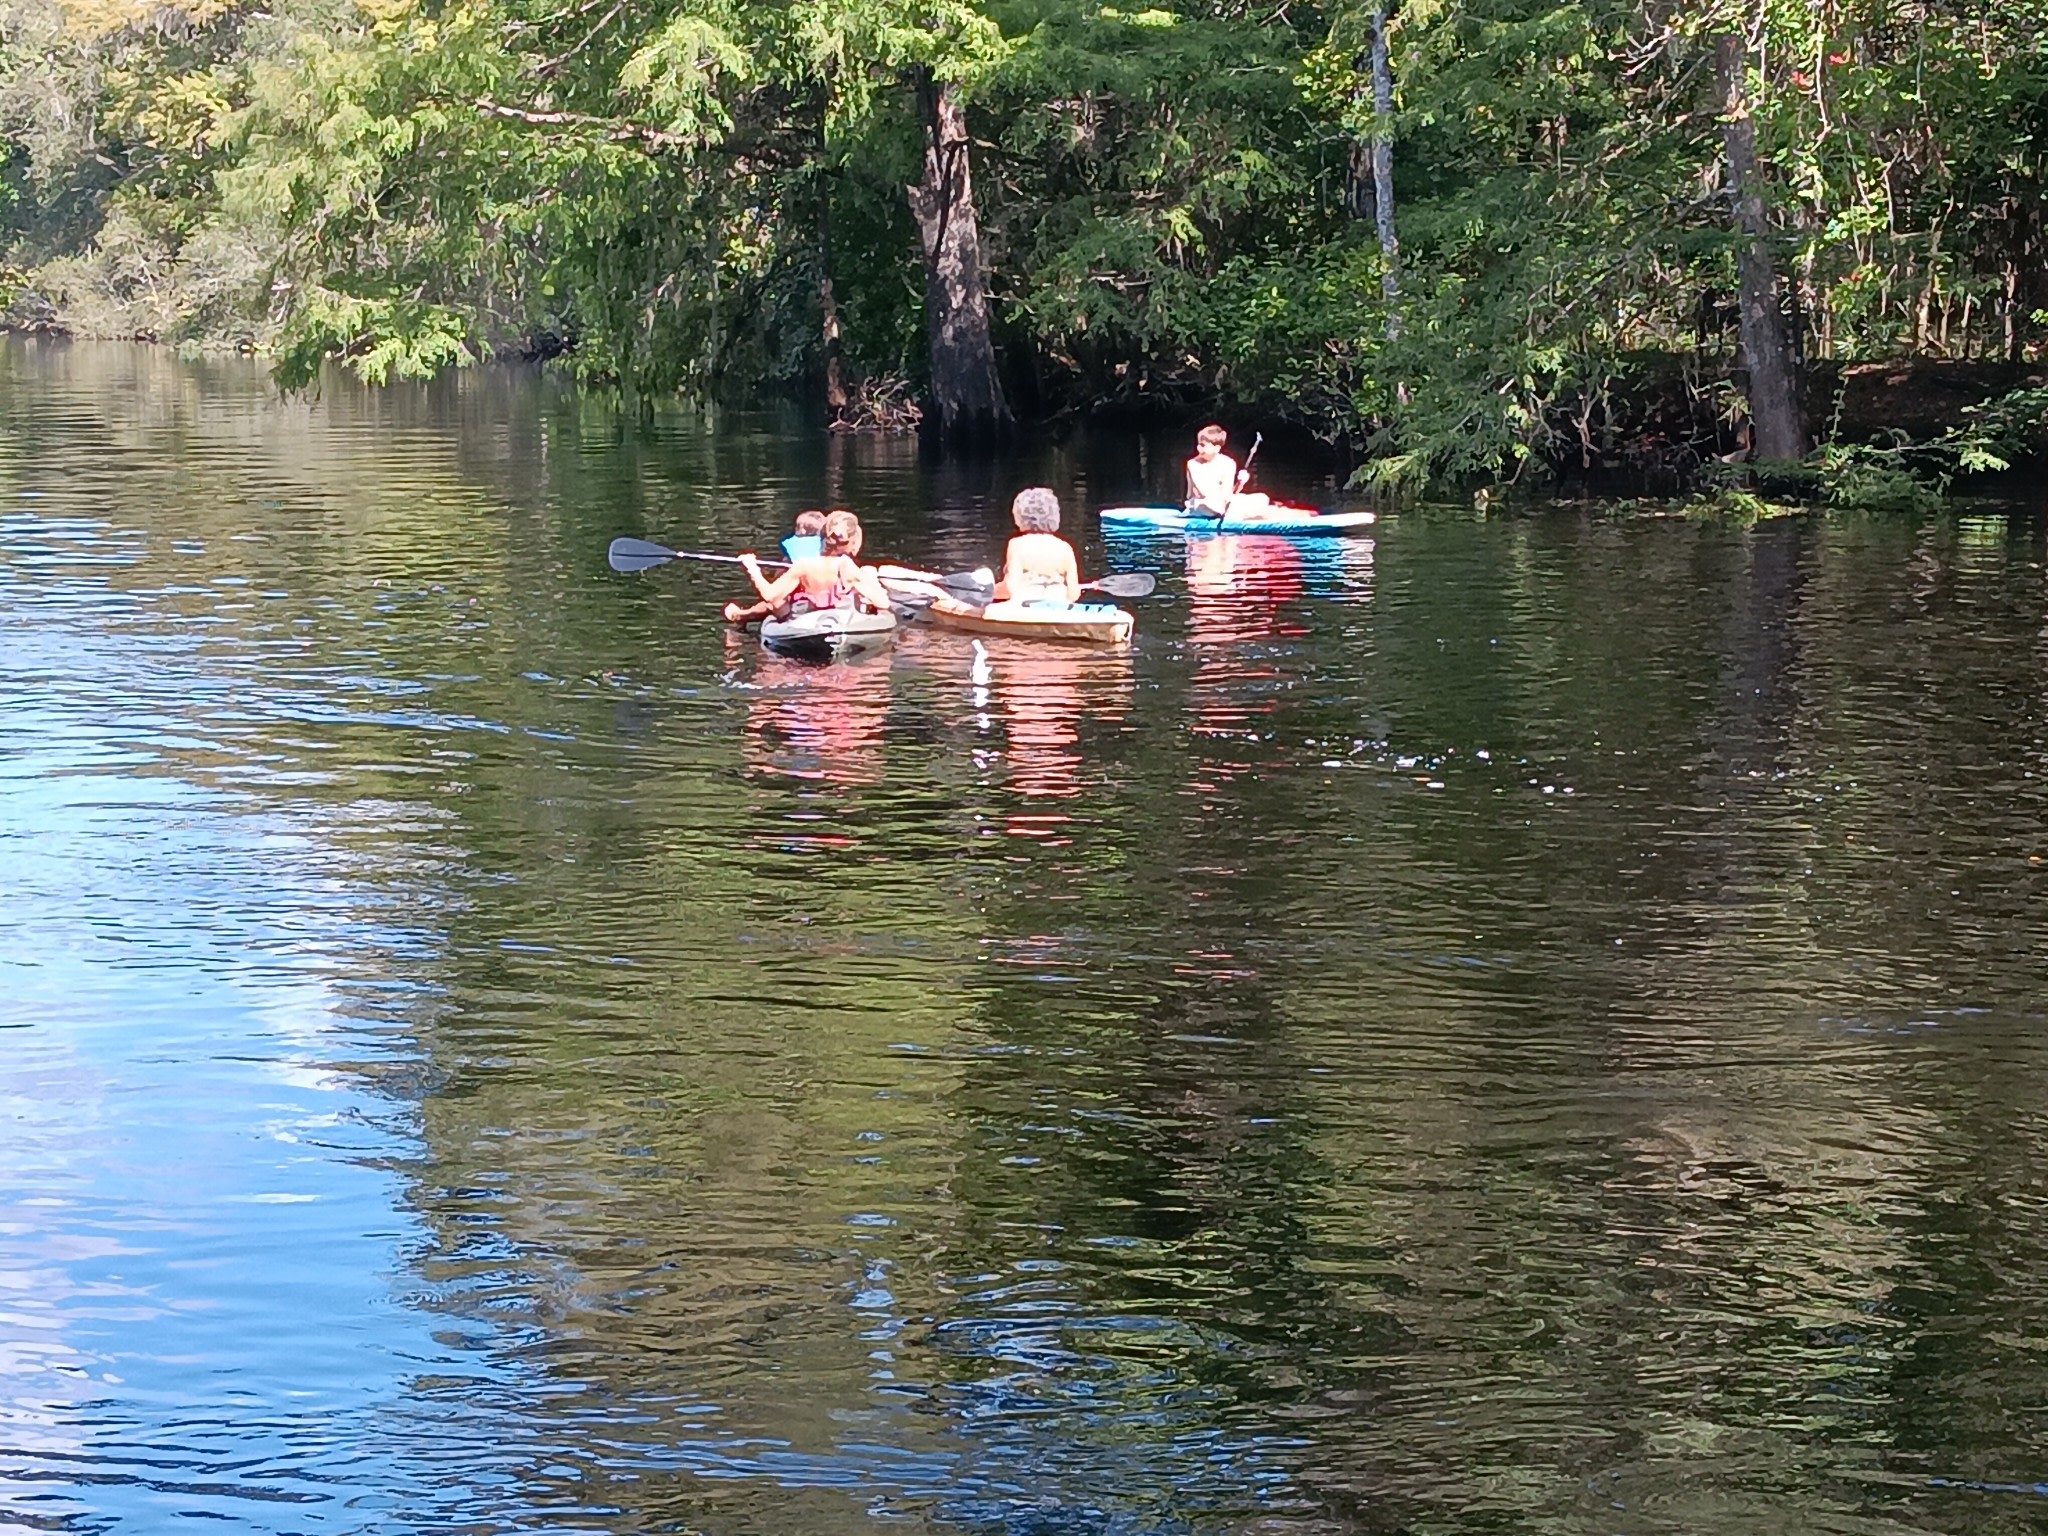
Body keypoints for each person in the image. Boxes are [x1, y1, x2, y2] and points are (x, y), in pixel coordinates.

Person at [733, 508, 892, 619]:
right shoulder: (846, 565)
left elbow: (770, 595)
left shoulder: (803, 565)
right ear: (849, 541)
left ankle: (742, 616)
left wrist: (752, 568)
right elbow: (883, 603)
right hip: (836, 616)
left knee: (777, 602)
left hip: (801, 618)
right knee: (868, 573)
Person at [992, 486, 1081, 605]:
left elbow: (1010, 588)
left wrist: (989, 591)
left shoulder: (1017, 545)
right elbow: (1074, 594)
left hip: (1024, 608)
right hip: (1059, 606)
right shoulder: (1065, 548)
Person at [1185, 423, 1272, 517]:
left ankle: (1234, 512)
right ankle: (1236, 513)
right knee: (1214, 505)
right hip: (1201, 504)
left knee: (1263, 498)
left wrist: (1240, 483)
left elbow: (1228, 493)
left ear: (1217, 448)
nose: (1199, 448)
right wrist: (1225, 501)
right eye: (1199, 444)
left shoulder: (1228, 463)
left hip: (1221, 502)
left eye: (1203, 445)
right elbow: (1205, 492)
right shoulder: (1193, 464)